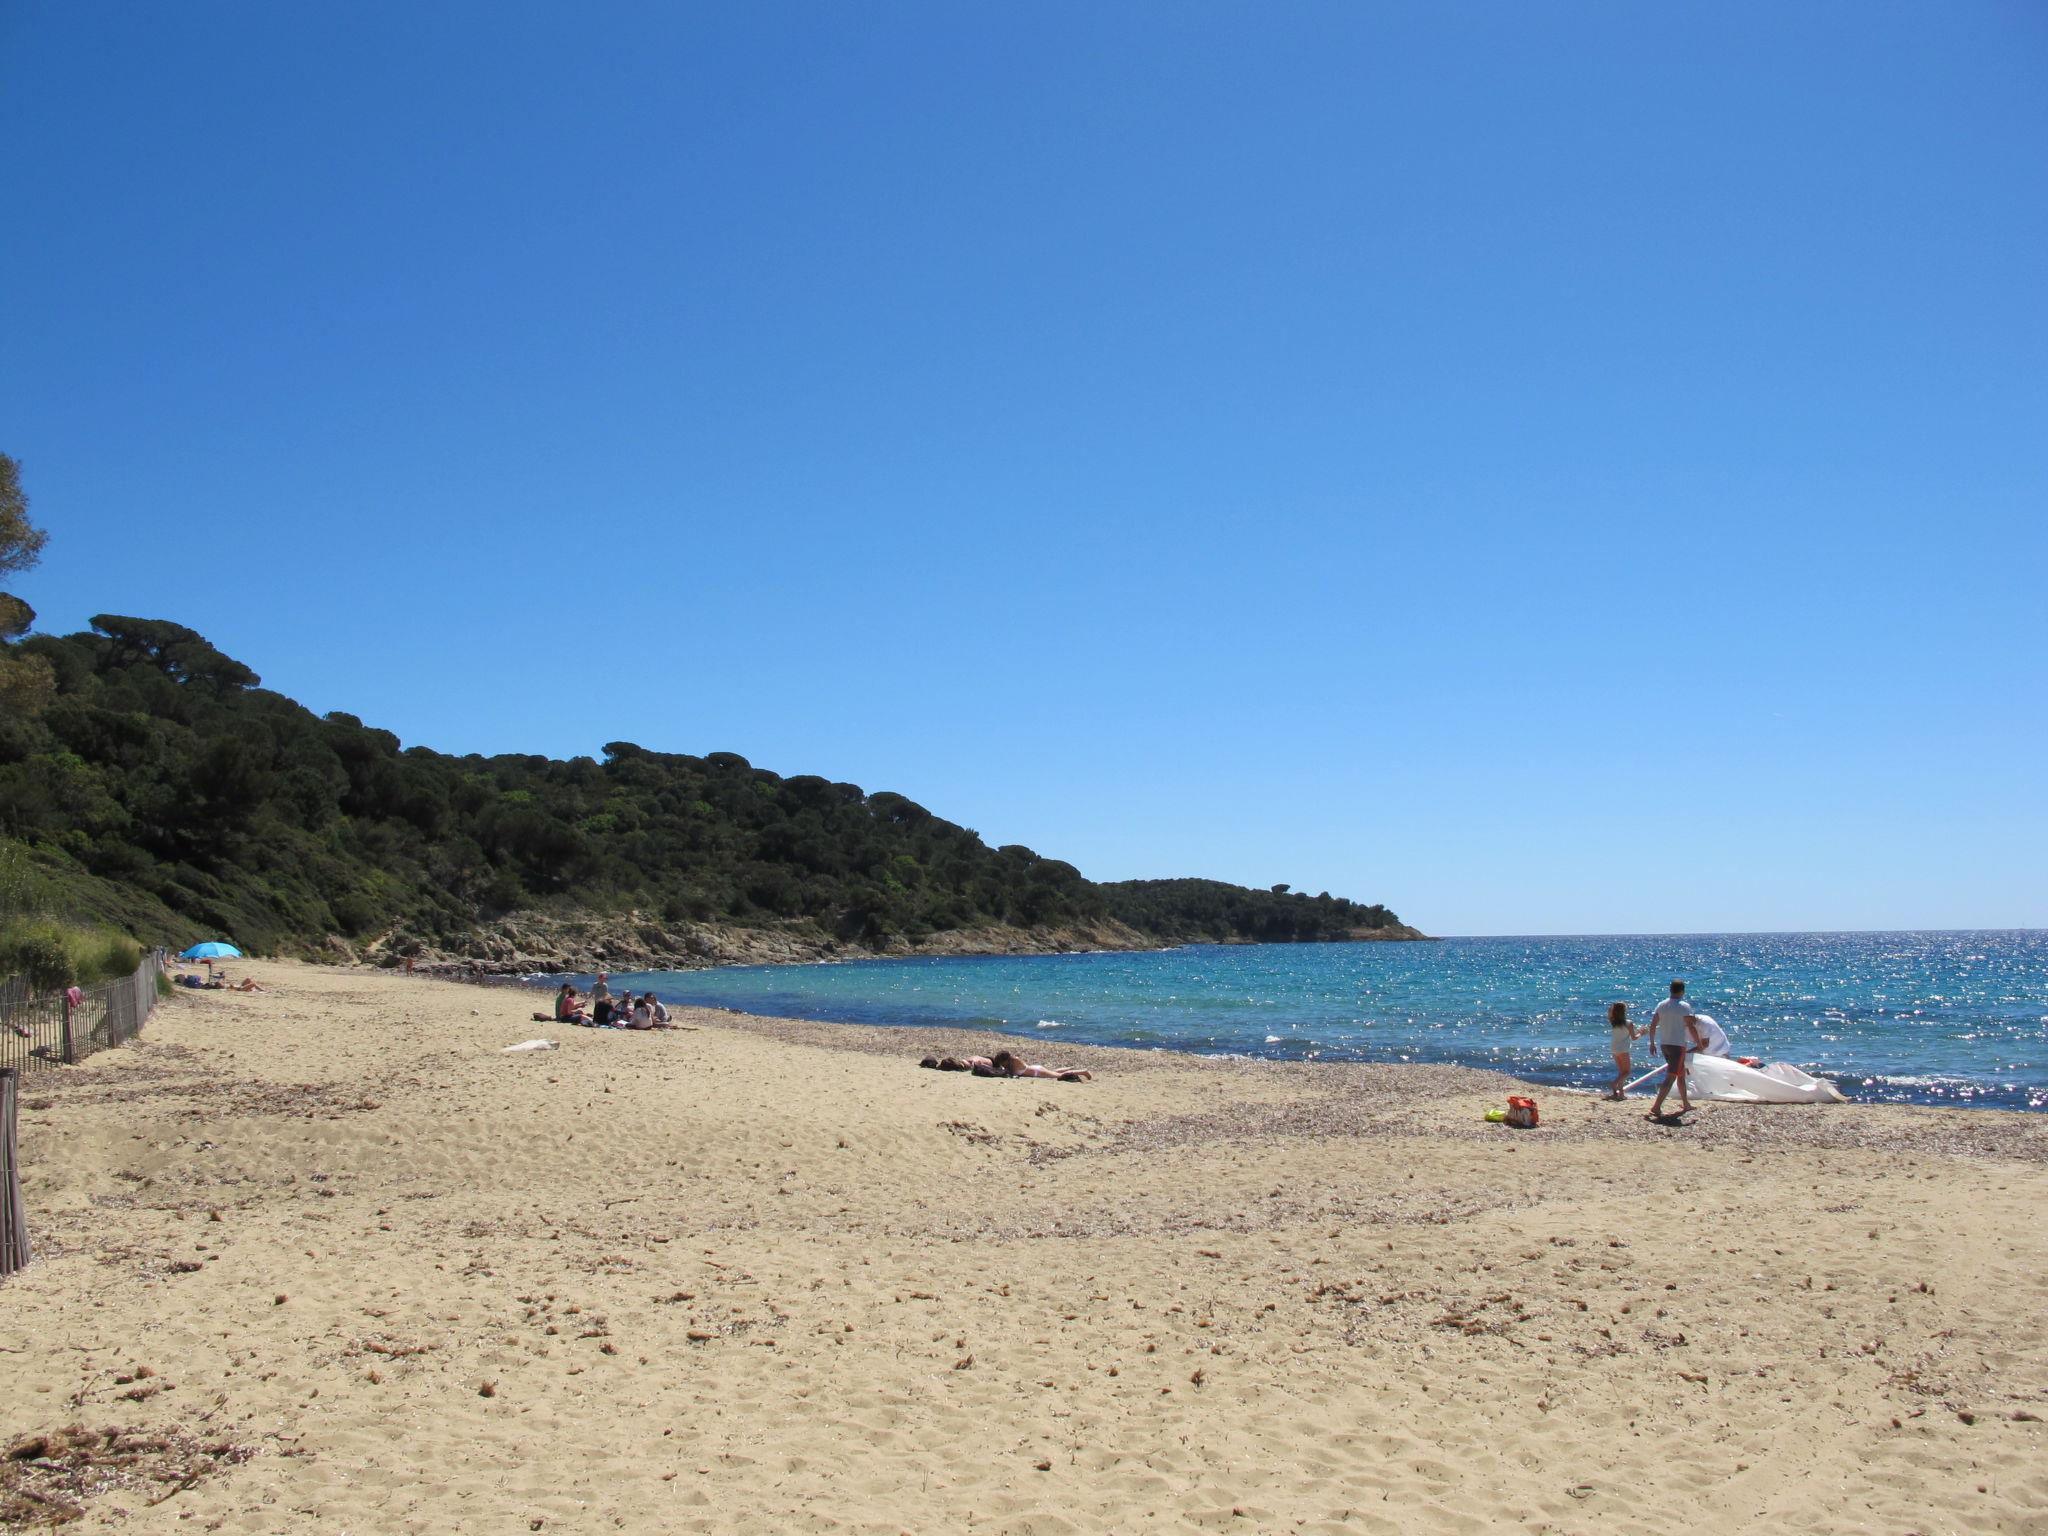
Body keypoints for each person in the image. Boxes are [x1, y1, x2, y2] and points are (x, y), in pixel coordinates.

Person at [1648, 980, 1704, 1119]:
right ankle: (1656, 1106)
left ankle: (1686, 1104)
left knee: (1680, 1074)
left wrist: (1652, 1042)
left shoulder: (1661, 1005)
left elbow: (1653, 1024)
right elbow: (1690, 1026)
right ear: (1682, 991)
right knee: (1672, 1076)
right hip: (1677, 1045)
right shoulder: (1684, 1006)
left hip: (1665, 1043)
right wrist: (1698, 1042)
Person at [988, 1049, 1092, 1082]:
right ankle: (1070, 1068)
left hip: (1037, 1072)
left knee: (1060, 1076)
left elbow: (1013, 1072)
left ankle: (1083, 1072)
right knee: (1054, 1071)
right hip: (1035, 1069)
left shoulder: (1015, 1061)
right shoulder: (1010, 1063)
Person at [1604, 1001, 1638, 1100]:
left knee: (1621, 1072)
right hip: (1623, 1049)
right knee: (1627, 1072)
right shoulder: (1629, 1023)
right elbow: (1634, 1037)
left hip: (1614, 1048)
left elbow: (1609, 1013)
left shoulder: (1613, 1021)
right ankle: (1614, 1084)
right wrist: (1642, 1033)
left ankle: (1620, 1094)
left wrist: (1612, 1008)